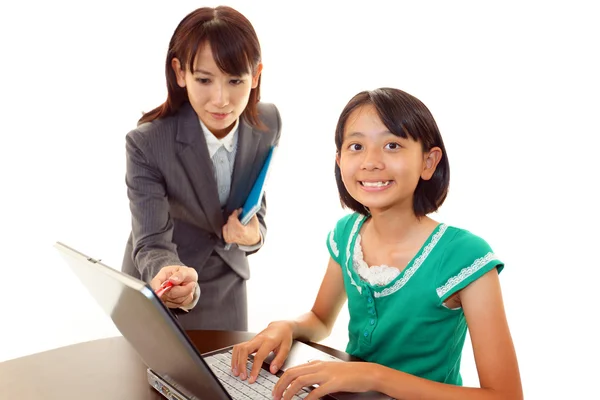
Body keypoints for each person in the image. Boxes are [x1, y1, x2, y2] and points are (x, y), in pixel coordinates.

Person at [231, 88, 522, 399]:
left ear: (428, 162)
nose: (371, 162)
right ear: (340, 160)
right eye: (356, 146)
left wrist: (373, 375)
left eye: (392, 145)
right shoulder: (346, 234)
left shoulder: (465, 256)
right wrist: (286, 326)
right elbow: (319, 319)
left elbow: (505, 395)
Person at [121, 6, 281, 331]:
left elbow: (255, 199)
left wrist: (254, 235)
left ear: (256, 75)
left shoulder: (268, 122)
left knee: (227, 379)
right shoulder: (147, 142)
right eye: (204, 80)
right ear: (180, 73)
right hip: (164, 283)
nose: (220, 99)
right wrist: (170, 276)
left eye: (235, 80)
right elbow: (151, 240)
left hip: (227, 284)